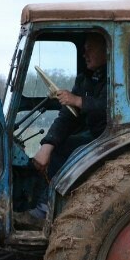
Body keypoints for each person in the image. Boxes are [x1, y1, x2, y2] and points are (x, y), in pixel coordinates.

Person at [34, 32, 108, 179]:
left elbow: (118, 108)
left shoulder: (126, 73)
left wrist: (78, 101)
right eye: (84, 49)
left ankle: (51, 198)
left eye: (89, 49)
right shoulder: (85, 79)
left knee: (65, 151)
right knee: (59, 146)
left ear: (107, 48)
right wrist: (48, 144)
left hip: (112, 135)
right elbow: (67, 116)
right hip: (94, 132)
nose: (84, 54)